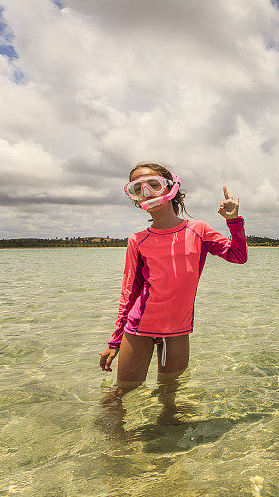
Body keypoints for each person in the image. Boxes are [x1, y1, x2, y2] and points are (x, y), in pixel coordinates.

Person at [97, 162, 247, 407]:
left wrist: (234, 221)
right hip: (139, 329)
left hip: (178, 330)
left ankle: (169, 438)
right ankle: (115, 442)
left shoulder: (198, 230)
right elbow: (129, 293)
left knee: (170, 395)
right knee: (120, 394)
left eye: (153, 184)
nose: (147, 193)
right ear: (135, 198)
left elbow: (238, 256)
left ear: (171, 188)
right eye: (138, 189)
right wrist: (114, 342)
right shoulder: (138, 240)